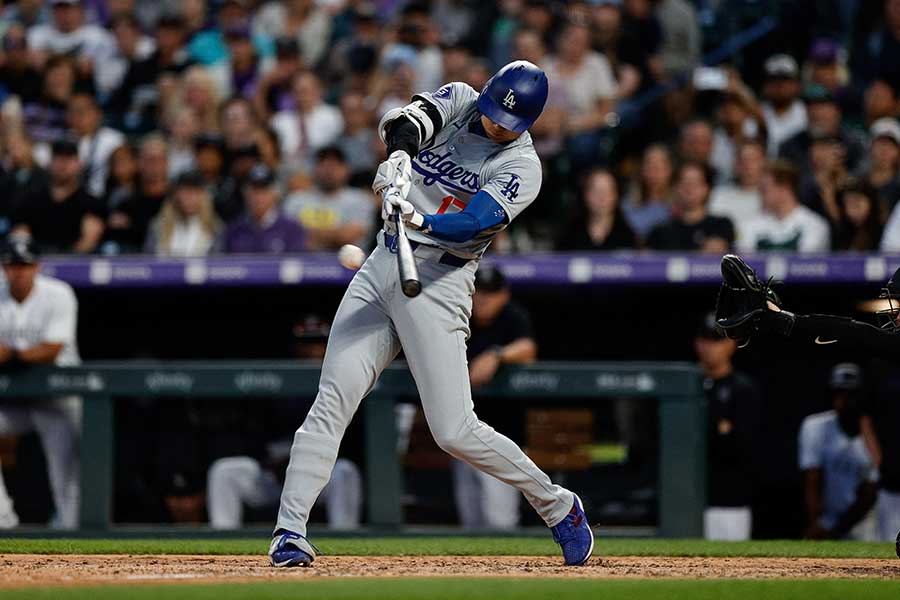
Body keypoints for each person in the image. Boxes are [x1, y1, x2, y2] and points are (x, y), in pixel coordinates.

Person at [268, 61, 594, 569]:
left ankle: (558, 506)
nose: (494, 125)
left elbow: (474, 223)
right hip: (382, 264)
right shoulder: (464, 99)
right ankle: (290, 531)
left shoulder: (523, 166)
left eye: (507, 124)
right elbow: (409, 122)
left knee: (454, 429)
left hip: (439, 281)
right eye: (492, 114)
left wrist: (418, 216)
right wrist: (399, 158)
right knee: (332, 400)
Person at [0, 236, 81, 529]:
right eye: (12, 265)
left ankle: (75, 535)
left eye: (25, 265)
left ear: (37, 267)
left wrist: (13, 354)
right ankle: (2, 519)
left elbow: (52, 349)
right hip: (14, 403)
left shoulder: (58, 294)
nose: (18, 272)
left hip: (57, 400)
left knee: (66, 474)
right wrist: (22, 356)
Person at [451, 265, 538, 530]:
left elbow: (528, 349)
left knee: (499, 522)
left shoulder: (512, 317)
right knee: (471, 522)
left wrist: (496, 355)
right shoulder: (460, 315)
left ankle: (507, 571)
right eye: (480, 292)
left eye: (491, 292)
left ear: (504, 294)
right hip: (463, 438)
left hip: (503, 438)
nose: (484, 299)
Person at [695, 312, 761, 541]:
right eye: (705, 339)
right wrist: (720, 428)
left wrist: (718, 434)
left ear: (731, 344)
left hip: (729, 501)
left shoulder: (743, 389)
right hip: (686, 500)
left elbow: (742, 445)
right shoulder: (686, 385)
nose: (709, 347)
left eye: (717, 340)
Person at [798, 363, 878, 541]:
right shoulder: (815, 426)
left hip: (867, 522)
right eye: (839, 393)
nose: (844, 400)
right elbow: (812, 479)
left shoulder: (876, 432)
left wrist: (835, 532)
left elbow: (870, 492)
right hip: (827, 519)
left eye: (851, 394)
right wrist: (815, 523)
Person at [12, 139, 105, 254]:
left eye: (69, 158)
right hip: (36, 263)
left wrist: (64, 262)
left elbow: (89, 239)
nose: (63, 164)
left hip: (75, 265)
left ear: (79, 164)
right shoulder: (31, 201)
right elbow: (20, 235)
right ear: (49, 163)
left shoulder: (91, 203)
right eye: (58, 158)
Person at [282, 147, 375, 251]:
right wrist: (335, 235)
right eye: (324, 165)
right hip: (303, 262)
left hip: (347, 263)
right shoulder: (296, 200)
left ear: (346, 169)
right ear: (314, 169)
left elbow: (348, 237)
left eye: (335, 166)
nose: (329, 171)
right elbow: (287, 235)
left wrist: (308, 234)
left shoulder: (360, 199)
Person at [736, 161, 831, 253]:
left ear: (785, 189)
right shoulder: (749, 225)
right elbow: (745, 262)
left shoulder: (814, 225)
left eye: (765, 189)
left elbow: (805, 265)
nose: (760, 194)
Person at [646, 162, 734, 252]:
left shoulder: (720, 225)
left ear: (707, 189)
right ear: (676, 188)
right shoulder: (660, 232)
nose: (689, 188)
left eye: (695, 183)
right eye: (684, 182)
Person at [223, 164, 305, 254]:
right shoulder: (234, 229)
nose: (259, 197)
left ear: (275, 194)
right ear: (245, 193)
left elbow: (297, 265)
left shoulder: (291, 229)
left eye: (264, 190)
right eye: (254, 190)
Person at [144, 171, 222, 256]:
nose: (189, 198)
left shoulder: (215, 228)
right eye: (185, 192)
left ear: (203, 196)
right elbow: (149, 259)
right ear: (176, 195)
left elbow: (217, 263)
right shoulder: (158, 226)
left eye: (194, 193)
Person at [558, 169, 637, 251]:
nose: (601, 197)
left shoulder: (627, 236)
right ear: (585, 195)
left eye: (607, 191)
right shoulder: (569, 235)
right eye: (596, 191)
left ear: (616, 195)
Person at [67, 91, 125, 198]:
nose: (78, 115)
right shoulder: (65, 141)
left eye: (82, 110)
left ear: (97, 113)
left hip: (104, 197)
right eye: (73, 111)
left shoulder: (114, 140)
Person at [622, 144, 674, 241]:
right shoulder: (628, 203)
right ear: (642, 170)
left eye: (659, 167)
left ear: (669, 169)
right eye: (649, 166)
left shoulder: (680, 204)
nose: (654, 173)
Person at [708, 139, 766, 226]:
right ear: (735, 164)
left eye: (753, 160)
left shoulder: (773, 197)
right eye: (742, 160)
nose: (747, 165)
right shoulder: (719, 195)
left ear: (764, 163)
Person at [760, 54, 807, 157]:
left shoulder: (807, 113)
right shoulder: (757, 113)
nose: (779, 85)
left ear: (797, 84)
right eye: (773, 79)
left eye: (785, 79)